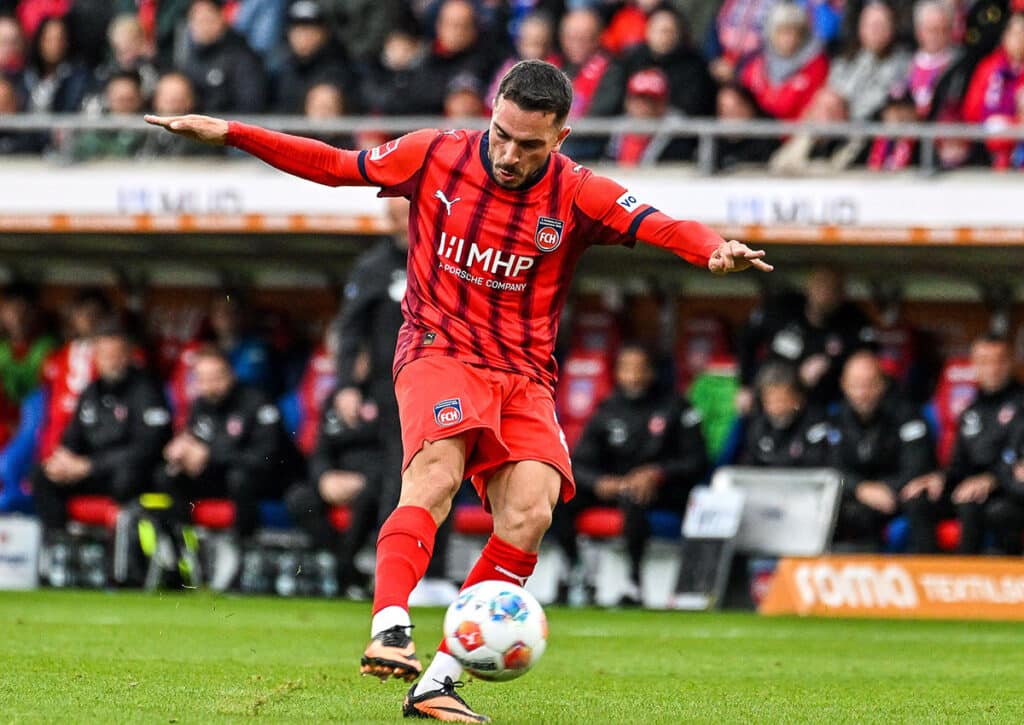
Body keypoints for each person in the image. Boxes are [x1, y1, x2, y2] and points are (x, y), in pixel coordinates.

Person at [145, 58, 771, 722]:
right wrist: (235, 133)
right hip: (438, 350)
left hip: (524, 374)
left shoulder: (579, 192)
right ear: (491, 114)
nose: (508, 153)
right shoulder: (433, 154)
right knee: (435, 475)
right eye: (501, 133)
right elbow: (335, 165)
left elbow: (660, 224)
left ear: (559, 137)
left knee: (531, 511)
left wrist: (711, 251)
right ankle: (389, 623)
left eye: (529, 144)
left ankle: (438, 680)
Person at [333, 197, 455, 603]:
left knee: (446, 476)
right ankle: (400, 576)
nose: (397, 222)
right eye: (392, 215)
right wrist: (346, 384)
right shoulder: (373, 267)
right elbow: (350, 331)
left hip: (448, 382)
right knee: (398, 479)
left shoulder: (447, 255)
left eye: (404, 213)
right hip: (395, 388)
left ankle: (434, 574)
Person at [560, 343, 708, 606]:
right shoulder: (607, 409)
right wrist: (599, 482)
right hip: (615, 488)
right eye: (626, 369)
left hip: (663, 492)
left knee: (635, 494)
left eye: (639, 370)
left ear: (652, 373)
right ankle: (575, 571)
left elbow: (697, 461)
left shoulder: (676, 406)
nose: (633, 376)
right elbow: (578, 464)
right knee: (560, 497)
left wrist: (658, 473)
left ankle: (634, 583)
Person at [157, 345, 300, 590]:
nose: (210, 385)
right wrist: (180, 452)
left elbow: (266, 456)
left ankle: (239, 551)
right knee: (167, 476)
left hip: (268, 482)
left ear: (230, 375)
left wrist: (210, 454)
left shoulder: (257, 402)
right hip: (220, 478)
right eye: (203, 379)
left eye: (216, 377)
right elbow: (193, 442)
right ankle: (185, 551)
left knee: (240, 478)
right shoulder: (200, 406)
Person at [33, 320, 171, 538]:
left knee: (128, 477)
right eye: (105, 355)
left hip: (129, 473)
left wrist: (91, 466)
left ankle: (123, 553)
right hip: (91, 472)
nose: (111, 362)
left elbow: (149, 447)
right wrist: (64, 459)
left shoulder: (147, 390)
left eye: (116, 355)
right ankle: (61, 543)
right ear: (96, 357)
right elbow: (72, 437)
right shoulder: (91, 392)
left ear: (128, 355)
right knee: (43, 475)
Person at [912, 336, 1021, 554]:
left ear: (1010, 362)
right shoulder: (971, 409)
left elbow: (1017, 462)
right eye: (983, 361)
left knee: (971, 503)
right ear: (974, 365)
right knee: (919, 501)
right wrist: (939, 478)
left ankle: (966, 576)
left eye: (998, 361)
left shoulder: (1021, 405)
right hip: (969, 487)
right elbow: (958, 465)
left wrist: (992, 479)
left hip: (1006, 490)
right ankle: (927, 573)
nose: (992, 368)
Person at [285, 362, 381, 598]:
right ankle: (348, 569)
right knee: (298, 498)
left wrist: (365, 480)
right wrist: (324, 478)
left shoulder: (389, 395)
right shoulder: (334, 399)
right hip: (336, 480)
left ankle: (344, 570)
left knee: (369, 497)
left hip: (375, 482)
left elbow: (395, 451)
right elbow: (321, 450)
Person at [828, 350, 937, 552]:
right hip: (858, 496)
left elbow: (918, 466)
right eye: (855, 386)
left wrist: (885, 489)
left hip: (899, 494)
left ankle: (924, 574)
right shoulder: (836, 420)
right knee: (836, 508)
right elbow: (831, 467)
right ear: (843, 385)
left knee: (920, 502)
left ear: (883, 384)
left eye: (869, 385)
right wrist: (861, 488)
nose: (862, 393)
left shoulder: (907, 414)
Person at [738, 266, 873, 411]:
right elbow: (745, 340)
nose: (825, 294)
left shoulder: (853, 320)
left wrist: (831, 362)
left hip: (824, 402)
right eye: (821, 286)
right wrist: (745, 385)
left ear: (841, 294)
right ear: (808, 287)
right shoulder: (783, 309)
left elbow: (868, 353)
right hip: (773, 396)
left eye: (832, 289)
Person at [736, 1, 829, 121]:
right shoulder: (756, 65)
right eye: (782, 31)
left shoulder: (816, 65)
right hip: (758, 133)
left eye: (795, 31)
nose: (789, 38)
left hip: (796, 131)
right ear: (771, 33)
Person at [178, 0, 268, 113]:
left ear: (221, 18)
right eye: (195, 20)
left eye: (206, 19)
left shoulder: (243, 58)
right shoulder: (188, 60)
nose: (201, 26)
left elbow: (250, 106)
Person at [738, 361, 830, 467]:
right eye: (770, 401)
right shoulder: (757, 427)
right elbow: (748, 466)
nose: (776, 407)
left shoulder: (816, 423)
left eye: (781, 400)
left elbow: (817, 462)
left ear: (798, 399)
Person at [270, 0, 352, 114]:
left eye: (310, 29)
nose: (304, 36)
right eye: (298, 29)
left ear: (324, 33)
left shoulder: (338, 70)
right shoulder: (281, 69)